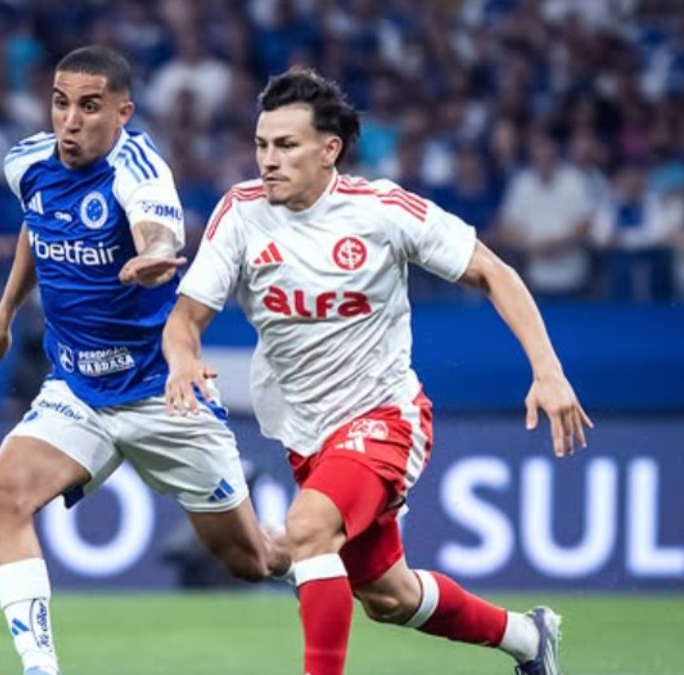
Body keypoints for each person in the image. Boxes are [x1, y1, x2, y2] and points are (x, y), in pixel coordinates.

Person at [163, 68, 592, 675]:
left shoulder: (382, 211)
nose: (267, 161)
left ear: (328, 150)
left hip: (385, 416)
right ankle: (528, 638)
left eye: (285, 146)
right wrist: (183, 358)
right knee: (390, 598)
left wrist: (548, 372)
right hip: (305, 434)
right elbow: (185, 317)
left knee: (307, 528)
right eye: (261, 145)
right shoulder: (241, 213)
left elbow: (495, 271)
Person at [0, 46, 278, 675]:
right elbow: (37, 223)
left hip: (161, 391)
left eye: (89, 107)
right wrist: (3, 315)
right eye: (61, 103)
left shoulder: (139, 170)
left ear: (122, 112)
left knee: (251, 561)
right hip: (78, 391)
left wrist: (153, 255)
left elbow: (159, 232)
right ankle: (40, 669)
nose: (70, 121)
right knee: (1, 496)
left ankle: (340, 552)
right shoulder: (25, 162)